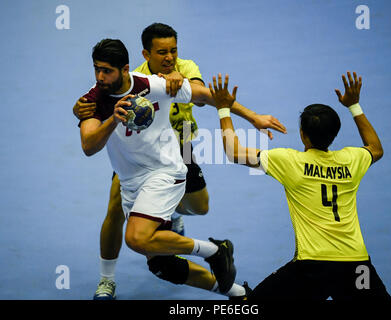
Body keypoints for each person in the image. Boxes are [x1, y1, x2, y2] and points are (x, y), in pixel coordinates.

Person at [73, 23, 285, 299]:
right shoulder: (94, 98)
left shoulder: (156, 83)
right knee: (162, 263)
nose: (100, 76)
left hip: (170, 160)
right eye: (97, 69)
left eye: (107, 70)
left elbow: (205, 94)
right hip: (131, 178)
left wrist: (253, 116)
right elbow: (89, 146)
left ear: (124, 70)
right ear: (145, 55)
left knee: (146, 233)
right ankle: (237, 293)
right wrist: (113, 117)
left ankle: (212, 249)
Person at [208, 72, 391, 300]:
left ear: (303, 135)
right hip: (356, 264)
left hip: (312, 266)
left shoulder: (290, 162)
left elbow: (233, 151)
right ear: (334, 134)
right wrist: (354, 106)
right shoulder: (352, 160)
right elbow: (375, 148)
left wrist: (223, 109)